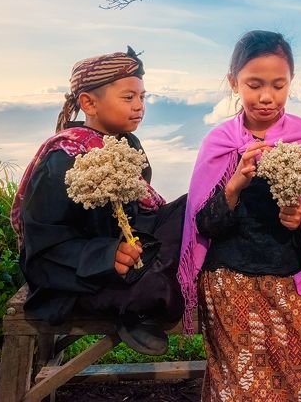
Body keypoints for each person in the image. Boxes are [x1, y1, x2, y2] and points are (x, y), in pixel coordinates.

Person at [178, 30, 301, 402]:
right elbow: (203, 225)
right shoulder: (219, 143)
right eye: (254, 85)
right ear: (233, 82)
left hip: (291, 274)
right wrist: (234, 184)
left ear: (291, 84)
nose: (266, 97)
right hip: (230, 278)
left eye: (278, 85)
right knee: (243, 387)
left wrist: (299, 218)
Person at [11, 46, 186, 355]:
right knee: (159, 291)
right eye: (128, 98)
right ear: (89, 103)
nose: (139, 107)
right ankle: (140, 298)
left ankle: (148, 281)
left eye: (142, 97)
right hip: (82, 273)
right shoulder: (62, 160)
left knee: (190, 208)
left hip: (127, 249)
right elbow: (43, 247)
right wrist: (107, 255)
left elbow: (138, 209)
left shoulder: (128, 144)